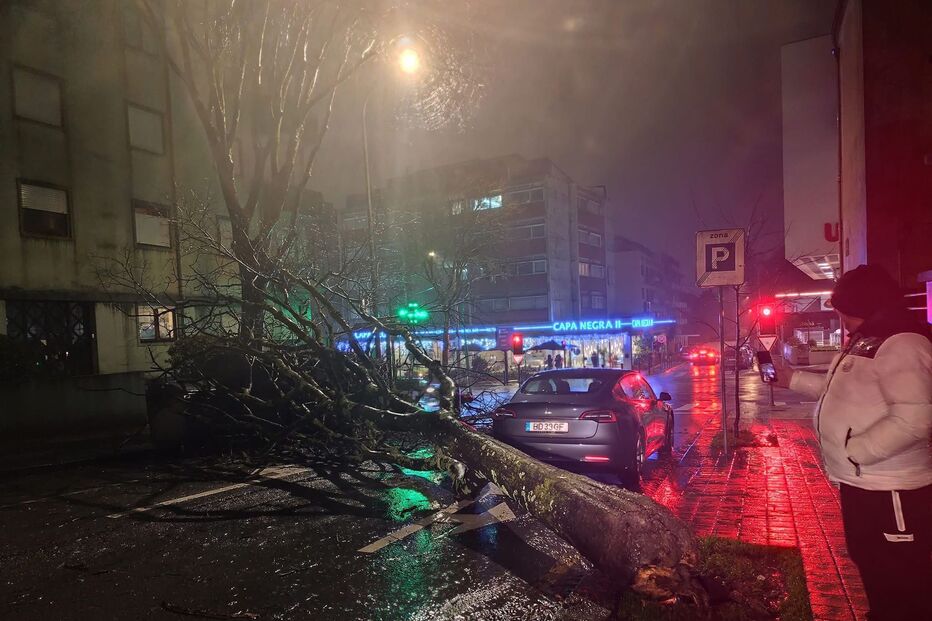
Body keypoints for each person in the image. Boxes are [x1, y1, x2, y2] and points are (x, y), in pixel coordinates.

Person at [774, 265, 931, 621]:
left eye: (844, 309)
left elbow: (917, 417)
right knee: (871, 560)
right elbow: (846, 394)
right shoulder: (867, 340)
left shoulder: (902, 343)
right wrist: (793, 379)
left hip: (893, 489)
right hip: (863, 482)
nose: (841, 317)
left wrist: (855, 451)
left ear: (865, 303)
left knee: (902, 575)